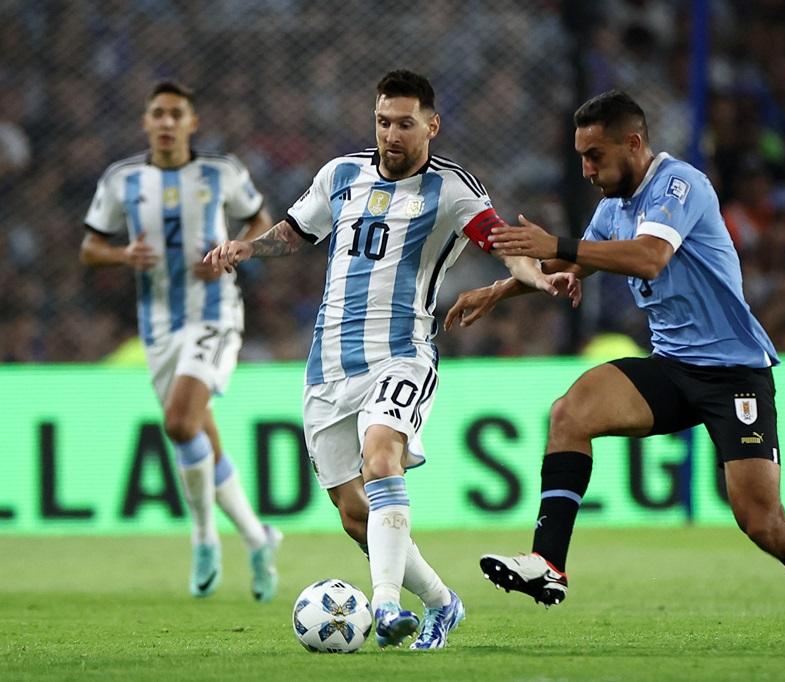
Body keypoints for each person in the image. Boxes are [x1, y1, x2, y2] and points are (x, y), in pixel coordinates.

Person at [445, 90, 785, 652]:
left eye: (595, 156)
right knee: (570, 413)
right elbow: (569, 259)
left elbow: (647, 257)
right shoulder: (614, 205)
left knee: (763, 522)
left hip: (734, 374)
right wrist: (498, 289)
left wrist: (560, 245)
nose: (586, 170)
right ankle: (548, 563)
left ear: (633, 143)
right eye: (581, 157)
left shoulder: (680, 185)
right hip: (672, 367)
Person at [204, 70, 578, 649]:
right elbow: (297, 233)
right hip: (328, 367)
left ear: (432, 125)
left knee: (383, 459)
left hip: (401, 355)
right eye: (383, 122)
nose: (391, 135)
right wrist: (246, 248)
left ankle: (383, 606)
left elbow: (503, 244)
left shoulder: (451, 189)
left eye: (405, 124)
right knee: (354, 514)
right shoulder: (340, 175)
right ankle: (442, 603)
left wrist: (537, 277)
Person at [80, 80, 282, 602]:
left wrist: (233, 250)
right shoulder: (122, 179)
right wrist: (123, 255)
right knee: (197, 434)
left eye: (176, 114)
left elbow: (260, 220)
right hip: (158, 326)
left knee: (178, 422)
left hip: (215, 314)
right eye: (158, 114)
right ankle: (257, 537)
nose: (166, 122)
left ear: (192, 123)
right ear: (146, 122)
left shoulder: (222, 172)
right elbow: (90, 248)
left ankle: (204, 537)